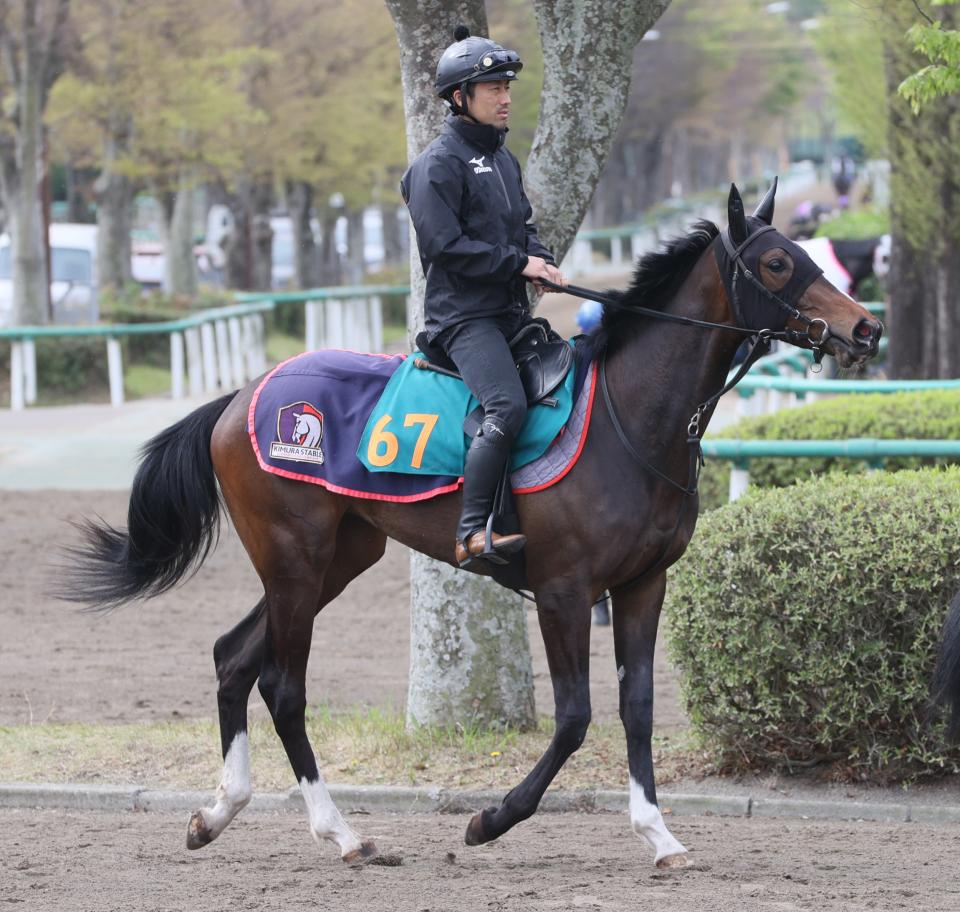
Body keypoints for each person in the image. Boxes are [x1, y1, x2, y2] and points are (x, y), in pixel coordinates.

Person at [400, 26, 566, 568]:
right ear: (460, 98)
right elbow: (444, 247)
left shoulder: (503, 160)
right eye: (492, 88)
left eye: (506, 86)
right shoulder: (436, 166)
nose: (505, 97)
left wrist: (540, 262)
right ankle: (470, 531)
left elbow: (524, 227)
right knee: (506, 404)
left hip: (510, 315)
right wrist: (519, 263)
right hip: (463, 321)